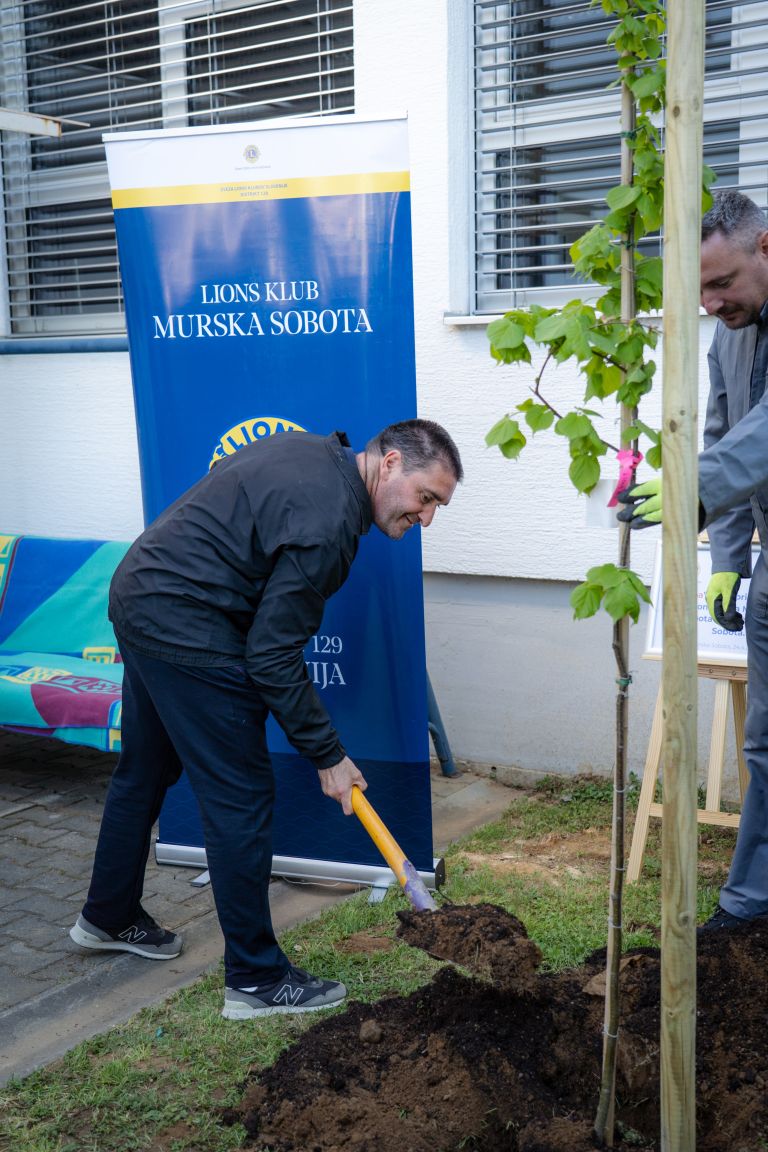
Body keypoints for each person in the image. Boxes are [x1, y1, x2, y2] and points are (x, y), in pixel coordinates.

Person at [69, 420, 462, 1017]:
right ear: (388, 465)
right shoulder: (330, 527)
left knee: (146, 769)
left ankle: (107, 915)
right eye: (425, 497)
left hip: (141, 592)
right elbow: (272, 655)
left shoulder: (312, 454)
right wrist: (328, 756)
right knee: (241, 798)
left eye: (438, 506)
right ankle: (254, 978)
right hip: (184, 619)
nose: (426, 518)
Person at [618, 189, 768, 931]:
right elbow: (724, 430)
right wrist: (729, 558)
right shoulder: (730, 333)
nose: (712, 302)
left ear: (765, 247)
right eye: (698, 289)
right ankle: (750, 905)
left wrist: (688, 491)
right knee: (764, 744)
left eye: (723, 282)